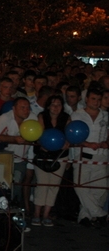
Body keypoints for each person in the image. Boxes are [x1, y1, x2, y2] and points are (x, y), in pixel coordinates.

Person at [70, 87, 109, 227]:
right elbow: (71, 134)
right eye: (93, 99)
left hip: (102, 156)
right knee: (80, 186)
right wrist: (86, 143)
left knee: (100, 189)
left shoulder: (106, 115)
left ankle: (85, 216)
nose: (96, 102)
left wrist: (106, 143)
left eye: (99, 100)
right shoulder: (77, 115)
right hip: (83, 155)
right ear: (86, 99)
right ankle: (99, 213)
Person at [0, 97, 37, 215]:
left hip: (20, 159)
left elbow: (35, 137)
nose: (26, 110)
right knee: (3, 187)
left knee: (16, 186)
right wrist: (13, 139)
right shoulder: (5, 118)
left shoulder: (32, 118)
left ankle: (15, 213)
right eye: (22, 107)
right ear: (14, 108)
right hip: (4, 159)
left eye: (28, 107)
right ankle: (2, 212)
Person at [31, 94, 70, 227]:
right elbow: (38, 134)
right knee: (42, 184)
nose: (56, 107)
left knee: (54, 186)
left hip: (60, 156)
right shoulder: (42, 116)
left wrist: (67, 142)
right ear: (48, 106)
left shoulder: (66, 118)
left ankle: (46, 214)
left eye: (59, 105)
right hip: (43, 155)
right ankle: (36, 214)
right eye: (53, 104)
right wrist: (42, 143)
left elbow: (69, 135)